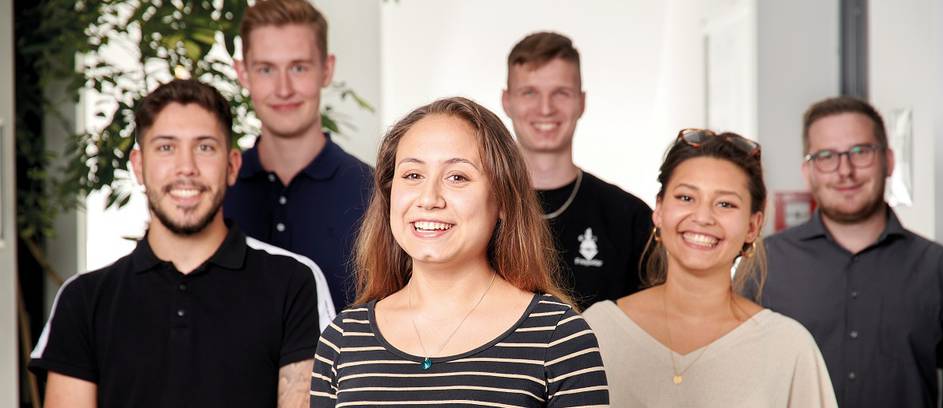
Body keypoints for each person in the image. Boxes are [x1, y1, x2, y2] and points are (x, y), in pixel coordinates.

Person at [29, 79, 335, 407]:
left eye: (205, 147)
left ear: (232, 165)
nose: (186, 168)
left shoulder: (293, 284)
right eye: (166, 147)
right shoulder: (82, 300)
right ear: (139, 166)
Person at [310, 97, 609, 407]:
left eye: (457, 177)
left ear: (503, 200)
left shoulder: (559, 337)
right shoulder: (342, 340)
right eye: (413, 175)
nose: (429, 199)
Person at [583, 129, 837, 407]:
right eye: (686, 198)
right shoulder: (598, 329)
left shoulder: (789, 348)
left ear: (753, 226)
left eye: (725, 204)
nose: (703, 217)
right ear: (659, 209)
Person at [756, 96, 943, 408]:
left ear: (889, 161)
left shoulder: (941, 270)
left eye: (860, 152)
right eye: (826, 156)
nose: (845, 171)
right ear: (808, 172)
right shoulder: (764, 265)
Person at [226, 0, 372, 311]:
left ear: (326, 70)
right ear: (243, 73)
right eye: (266, 69)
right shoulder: (216, 192)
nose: (283, 89)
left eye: (298, 68)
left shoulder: (375, 192)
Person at [501, 32, 653, 309]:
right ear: (507, 101)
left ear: (581, 102)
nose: (545, 109)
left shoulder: (630, 218)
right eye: (529, 92)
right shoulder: (478, 208)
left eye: (561, 93)